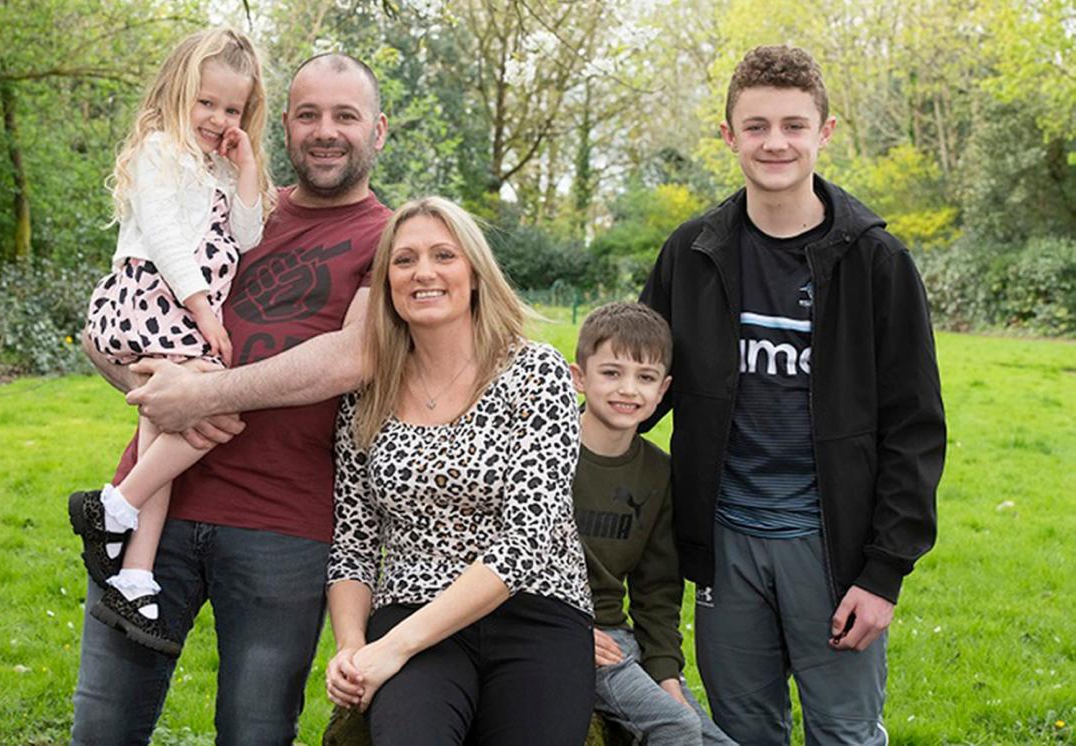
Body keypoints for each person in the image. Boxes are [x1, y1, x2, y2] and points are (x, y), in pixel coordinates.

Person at [70, 51, 391, 745]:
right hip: (150, 501)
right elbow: (105, 329)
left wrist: (203, 397)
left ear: (378, 131)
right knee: (102, 724)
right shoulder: (224, 200)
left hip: (283, 526)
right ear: (281, 125)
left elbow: (352, 355)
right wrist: (153, 393)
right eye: (307, 115)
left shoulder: (389, 237)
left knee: (254, 731)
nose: (325, 130)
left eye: (345, 116)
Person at [639, 45, 945, 744]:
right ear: (728, 137)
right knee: (743, 729)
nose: (774, 142)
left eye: (793, 125)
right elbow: (640, 382)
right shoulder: (691, 253)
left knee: (844, 730)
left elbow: (915, 428)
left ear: (824, 133)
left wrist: (884, 573)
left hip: (831, 549)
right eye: (755, 126)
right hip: (725, 543)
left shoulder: (876, 261)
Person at [323, 196, 595, 746]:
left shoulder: (535, 373)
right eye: (404, 260)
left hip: (534, 611)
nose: (423, 272)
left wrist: (392, 648)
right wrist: (353, 647)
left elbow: (527, 540)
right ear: (388, 283)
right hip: (409, 609)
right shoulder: (365, 396)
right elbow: (354, 539)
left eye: (443, 255)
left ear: (474, 273)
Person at [68, 26, 269, 658]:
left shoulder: (216, 165)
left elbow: (249, 236)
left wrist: (246, 165)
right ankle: (115, 503)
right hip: (151, 297)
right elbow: (162, 237)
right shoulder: (160, 150)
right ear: (178, 92)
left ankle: (134, 571)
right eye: (205, 103)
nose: (217, 118)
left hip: (180, 309)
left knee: (164, 423)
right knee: (213, 404)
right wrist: (204, 312)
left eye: (232, 109)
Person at [569, 303, 734, 746]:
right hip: (562, 635)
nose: (628, 390)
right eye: (611, 373)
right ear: (578, 377)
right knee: (675, 729)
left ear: (663, 390)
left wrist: (666, 677)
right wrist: (563, 634)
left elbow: (657, 591)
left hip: (619, 640)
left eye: (645, 378)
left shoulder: (658, 472)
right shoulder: (547, 451)